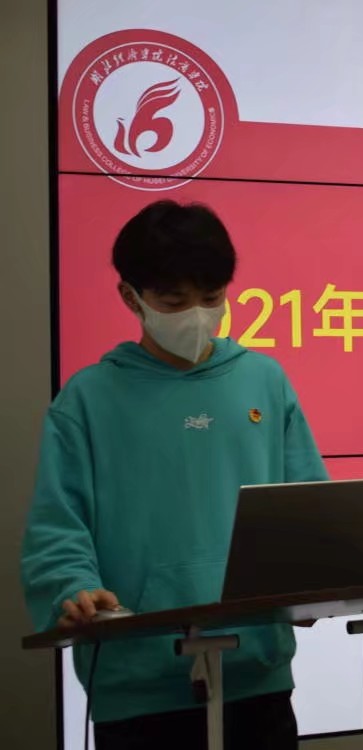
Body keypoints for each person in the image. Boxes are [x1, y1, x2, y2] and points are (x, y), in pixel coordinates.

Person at [20, 199, 328, 749]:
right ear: (130, 297)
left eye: (211, 298)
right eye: (173, 301)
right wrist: (74, 589)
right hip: (137, 683)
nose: (196, 315)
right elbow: (58, 527)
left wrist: (315, 581)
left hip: (256, 674)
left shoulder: (264, 381)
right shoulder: (88, 399)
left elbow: (309, 508)